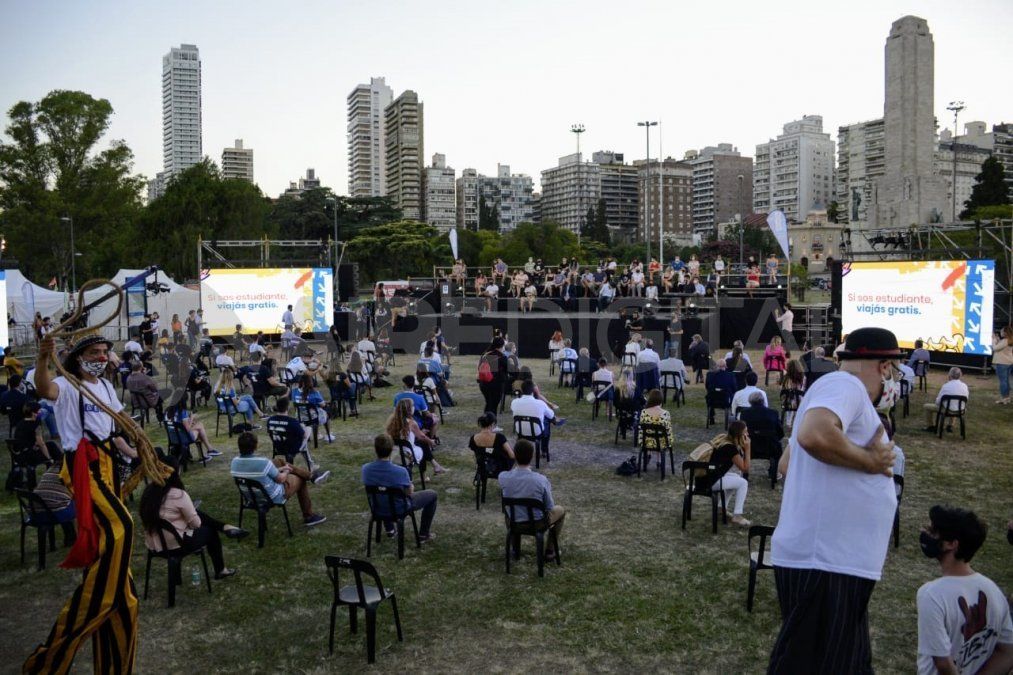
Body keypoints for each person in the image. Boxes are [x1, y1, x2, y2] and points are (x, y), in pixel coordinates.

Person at [767, 327, 901, 674]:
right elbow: (813, 435)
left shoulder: (834, 391)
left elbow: (786, 462)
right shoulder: (845, 385)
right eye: (894, 371)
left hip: (834, 563)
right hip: (827, 563)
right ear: (884, 366)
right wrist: (870, 462)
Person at [25, 332, 144, 673]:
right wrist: (44, 358)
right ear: (78, 357)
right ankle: (47, 660)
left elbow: (117, 426)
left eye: (106, 351)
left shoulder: (106, 387)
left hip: (107, 466)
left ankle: (113, 664)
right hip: (83, 467)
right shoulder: (66, 384)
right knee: (123, 525)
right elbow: (43, 388)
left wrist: (138, 448)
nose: (103, 356)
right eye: (95, 352)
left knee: (126, 598)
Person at [916, 505, 1013, 675]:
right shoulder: (993, 590)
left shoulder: (931, 595)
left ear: (951, 544)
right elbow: (1008, 652)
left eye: (934, 531)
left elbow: (943, 664)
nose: (924, 532)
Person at [140, 458, 247, 580]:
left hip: (154, 545)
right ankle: (221, 569)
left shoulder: (148, 493)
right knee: (210, 532)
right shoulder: (178, 494)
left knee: (196, 513)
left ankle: (224, 527)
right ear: (176, 472)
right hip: (175, 545)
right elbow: (196, 525)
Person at [230, 431, 327, 526]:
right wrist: (287, 471)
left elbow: (259, 473)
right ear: (255, 446)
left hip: (250, 497)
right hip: (271, 497)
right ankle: (309, 516)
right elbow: (280, 479)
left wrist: (282, 468)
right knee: (300, 479)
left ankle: (311, 476)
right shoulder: (263, 462)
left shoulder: (234, 462)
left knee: (277, 461)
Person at [362, 433, 438, 542]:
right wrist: (410, 485)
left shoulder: (365, 469)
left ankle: (390, 530)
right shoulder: (400, 471)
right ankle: (423, 534)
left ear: (375, 449)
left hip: (377, 507)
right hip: (399, 509)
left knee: (382, 492)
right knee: (432, 494)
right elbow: (409, 492)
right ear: (392, 449)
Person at [497, 439, 565, 559]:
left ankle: (515, 550)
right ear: (532, 456)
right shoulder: (540, 480)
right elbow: (549, 506)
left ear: (515, 456)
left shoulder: (503, 477)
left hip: (514, 522)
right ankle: (550, 551)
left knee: (509, 512)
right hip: (537, 524)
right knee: (560, 510)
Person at [386, 398, 447, 475]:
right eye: (413, 406)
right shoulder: (411, 423)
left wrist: (420, 434)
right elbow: (422, 437)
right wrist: (431, 442)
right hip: (407, 453)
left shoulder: (392, 421)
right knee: (423, 444)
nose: (414, 407)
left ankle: (435, 466)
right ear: (409, 409)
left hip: (393, 451)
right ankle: (426, 473)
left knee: (421, 442)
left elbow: (403, 436)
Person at [710, 420, 753, 526]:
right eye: (745, 432)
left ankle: (721, 508)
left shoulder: (723, 439)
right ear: (739, 434)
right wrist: (748, 449)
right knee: (743, 482)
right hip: (710, 482)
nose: (747, 434)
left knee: (736, 477)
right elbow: (745, 469)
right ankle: (737, 516)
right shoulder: (730, 448)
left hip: (706, 477)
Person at [511, 380, 565, 457]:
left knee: (544, 418)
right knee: (547, 419)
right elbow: (551, 414)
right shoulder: (540, 404)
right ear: (533, 391)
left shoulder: (514, 402)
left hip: (520, 430)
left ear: (522, 390)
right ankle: (544, 451)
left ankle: (554, 421)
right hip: (537, 432)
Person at [468, 412, 515, 476]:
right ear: (492, 424)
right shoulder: (499, 437)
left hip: (482, 467)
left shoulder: (473, 438)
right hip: (499, 468)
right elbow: (512, 455)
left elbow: (476, 454)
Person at [924, 367, 970, 432]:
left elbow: (938, 402)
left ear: (949, 375)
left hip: (947, 409)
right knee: (954, 404)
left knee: (927, 406)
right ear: (960, 375)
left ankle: (930, 426)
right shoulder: (964, 386)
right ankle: (950, 425)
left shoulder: (946, 386)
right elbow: (966, 400)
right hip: (960, 410)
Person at [637, 389, 674, 462]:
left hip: (646, 441)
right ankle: (659, 460)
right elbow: (668, 430)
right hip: (661, 443)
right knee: (661, 436)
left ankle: (648, 454)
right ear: (661, 400)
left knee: (651, 433)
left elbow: (641, 429)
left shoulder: (644, 412)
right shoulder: (666, 413)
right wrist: (670, 441)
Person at [478, 337, 509, 414]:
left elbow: (480, 367)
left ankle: (486, 421)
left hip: (483, 383)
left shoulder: (485, 354)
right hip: (496, 385)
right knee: (493, 406)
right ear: (502, 346)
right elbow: (508, 370)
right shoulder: (502, 357)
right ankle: (491, 423)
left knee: (489, 403)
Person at [991, 325, 1012, 404]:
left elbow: (995, 348)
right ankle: (1007, 397)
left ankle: (1004, 398)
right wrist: (997, 340)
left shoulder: (1005, 341)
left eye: (1002, 331)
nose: (1001, 332)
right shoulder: (1009, 340)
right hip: (1008, 362)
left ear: (1006, 333)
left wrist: (993, 340)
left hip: (1002, 363)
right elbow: (1000, 347)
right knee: (1006, 381)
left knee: (1003, 382)